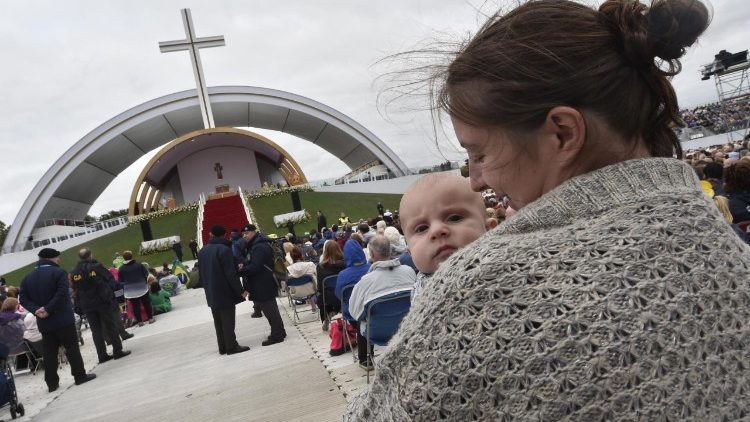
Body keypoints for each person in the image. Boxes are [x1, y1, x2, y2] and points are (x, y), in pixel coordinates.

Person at [345, 1, 743, 420]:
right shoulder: (721, 239)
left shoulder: (490, 287)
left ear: (562, 132)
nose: (476, 179)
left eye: (479, 153)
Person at [398, 173, 496, 298]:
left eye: (455, 218)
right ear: (409, 251)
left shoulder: (510, 265)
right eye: (422, 228)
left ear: (490, 229)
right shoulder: (418, 293)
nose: (437, 230)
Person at [19, 248, 95, 392]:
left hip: (43, 321)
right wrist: (48, 309)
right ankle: (79, 376)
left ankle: (52, 383)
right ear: (51, 258)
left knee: (49, 352)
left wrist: (37, 310)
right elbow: (61, 294)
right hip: (62, 318)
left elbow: (23, 299)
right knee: (72, 348)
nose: (59, 260)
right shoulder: (59, 272)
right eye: (57, 257)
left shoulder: (27, 278)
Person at [348, 236, 416, 370]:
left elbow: (354, 313)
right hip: (408, 327)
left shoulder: (365, 282)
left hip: (378, 332)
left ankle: (366, 360)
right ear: (390, 251)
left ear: (371, 254)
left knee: (362, 318)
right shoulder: (409, 272)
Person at [69, 248, 131, 364]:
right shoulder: (96, 267)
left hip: (87, 304)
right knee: (110, 326)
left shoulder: (74, 272)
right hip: (102, 301)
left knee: (96, 331)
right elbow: (110, 280)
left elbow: (74, 289)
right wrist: (114, 295)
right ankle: (117, 350)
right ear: (90, 256)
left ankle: (102, 355)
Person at [198, 225, 250, 355]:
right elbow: (230, 273)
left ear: (211, 234)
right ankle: (231, 346)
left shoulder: (203, 251)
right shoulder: (224, 249)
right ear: (224, 234)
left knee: (218, 321)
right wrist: (241, 290)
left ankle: (223, 346)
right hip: (224, 290)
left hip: (211, 290)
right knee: (228, 320)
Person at [241, 224, 286, 346]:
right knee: (271, 309)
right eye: (243, 234)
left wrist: (241, 270)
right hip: (263, 281)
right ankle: (280, 331)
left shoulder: (259, 246)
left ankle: (277, 335)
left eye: (247, 233)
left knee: (269, 310)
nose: (244, 236)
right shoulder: (256, 244)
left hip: (263, 282)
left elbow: (255, 266)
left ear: (254, 232)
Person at [118, 251, 155, 326]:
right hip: (142, 287)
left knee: (135, 306)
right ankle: (150, 318)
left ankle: (140, 322)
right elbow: (147, 275)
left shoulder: (121, 268)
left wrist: (126, 285)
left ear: (124, 258)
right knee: (146, 303)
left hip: (130, 290)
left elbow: (120, 281)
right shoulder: (139, 264)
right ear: (132, 256)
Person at [316, 240, 345, 330]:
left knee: (321, 296)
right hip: (344, 294)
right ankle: (336, 310)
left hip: (330, 297)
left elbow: (320, 287)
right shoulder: (345, 264)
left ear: (325, 251)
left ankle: (328, 315)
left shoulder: (321, 267)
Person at [286, 247, 318, 314]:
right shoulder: (310, 264)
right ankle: (314, 306)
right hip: (312, 290)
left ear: (291, 257)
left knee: (303, 284)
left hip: (296, 293)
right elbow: (317, 276)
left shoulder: (288, 269)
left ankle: (313, 306)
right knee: (311, 283)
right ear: (302, 255)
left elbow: (287, 284)